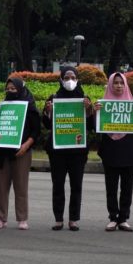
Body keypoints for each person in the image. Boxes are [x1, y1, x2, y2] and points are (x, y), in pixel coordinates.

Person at [42, 67, 95, 231]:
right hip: (57, 151)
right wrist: (48, 112)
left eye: (73, 77)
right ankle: (58, 218)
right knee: (58, 184)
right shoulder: (54, 98)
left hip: (78, 151)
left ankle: (73, 219)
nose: (70, 80)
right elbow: (46, 124)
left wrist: (88, 110)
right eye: (66, 77)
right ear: (61, 80)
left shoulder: (84, 99)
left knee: (76, 185)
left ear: (77, 79)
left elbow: (92, 126)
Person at [95, 72, 133, 232]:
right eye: (115, 83)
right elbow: (95, 127)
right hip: (110, 150)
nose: (118, 85)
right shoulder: (103, 105)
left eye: (121, 83)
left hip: (129, 150)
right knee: (111, 186)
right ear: (111, 85)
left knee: (127, 186)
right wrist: (95, 112)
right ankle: (113, 217)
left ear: (125, 85)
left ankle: (123, 218)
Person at [0, 78, 40, 230]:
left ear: (21, 89)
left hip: (21, 152)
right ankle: (1, 217)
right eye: (8, 89)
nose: (10, 91)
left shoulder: (29, 108)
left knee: (21, 186)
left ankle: (22, 218)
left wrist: (26, 145)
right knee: (2, 187)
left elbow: (36, 131)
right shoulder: (0, 107)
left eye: (13, 89)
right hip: (1, 153)